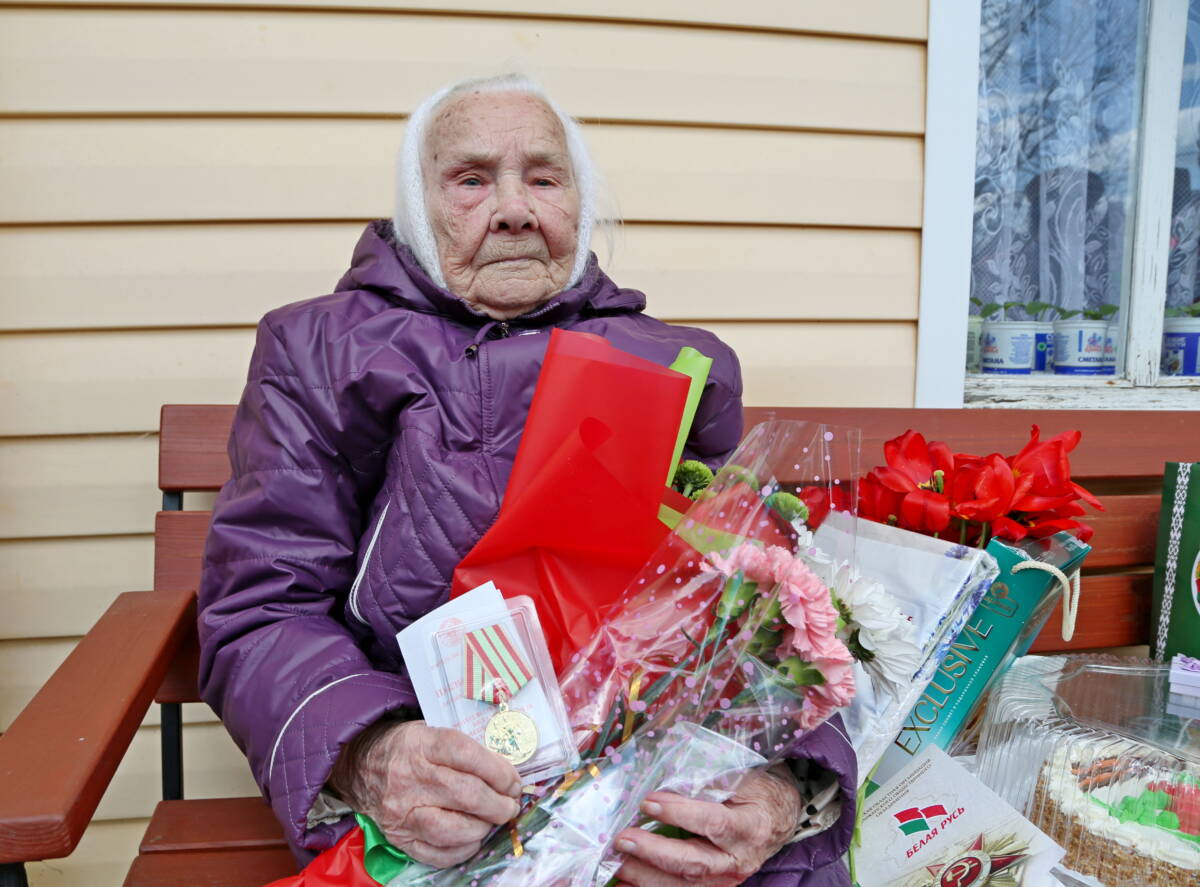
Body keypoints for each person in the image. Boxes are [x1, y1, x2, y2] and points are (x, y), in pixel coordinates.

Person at [199, 74, 855, 886]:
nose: (513, 208)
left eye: (543, 177)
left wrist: (783, 787)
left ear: (579, 205)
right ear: (417, 207)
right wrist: (371, 752)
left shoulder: (678, 365)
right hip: (444, 801)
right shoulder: (320, 350)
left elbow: (763, 603)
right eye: (471, 180)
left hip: (641, 794)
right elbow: (262, 603)